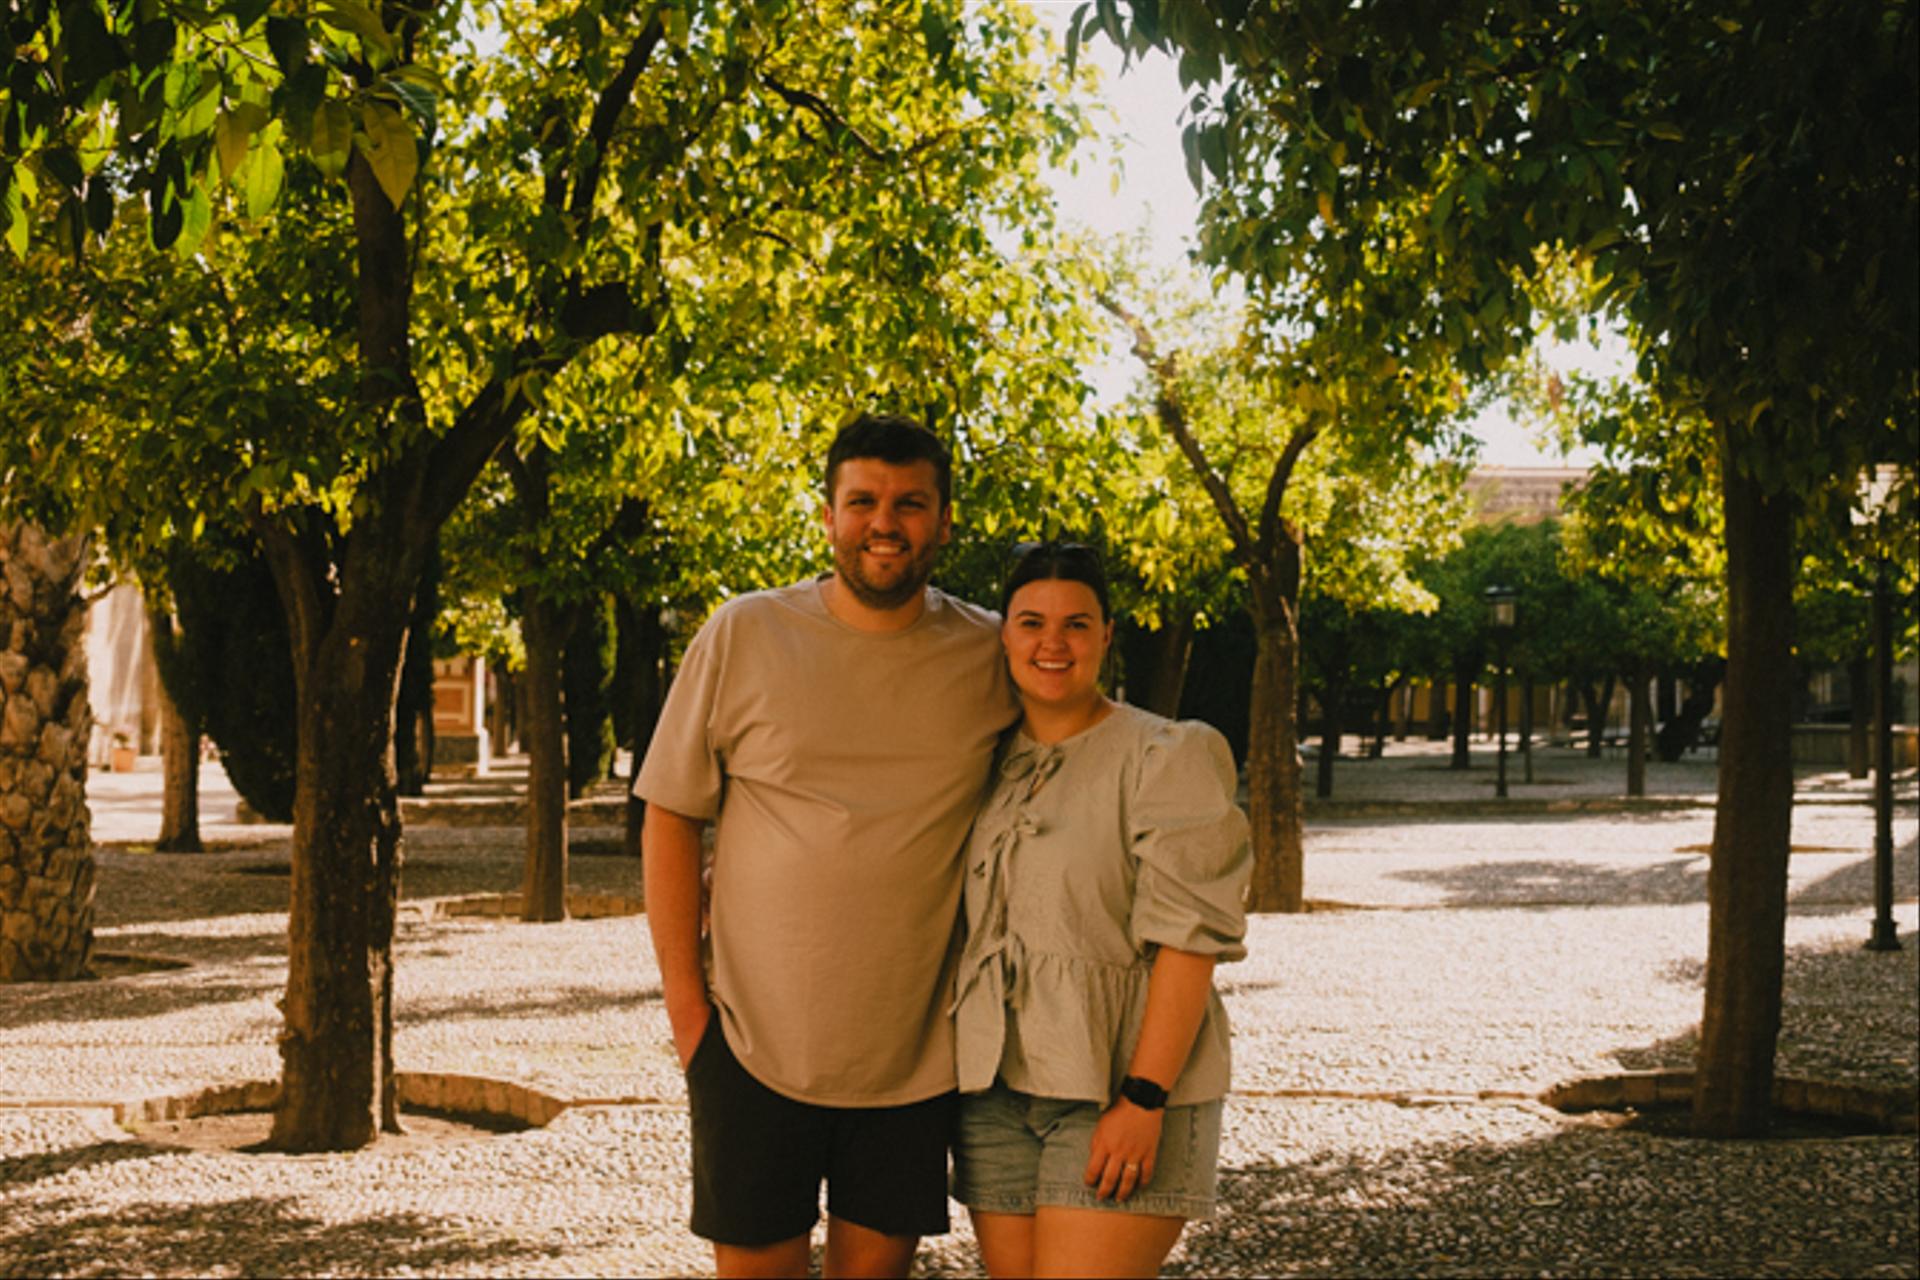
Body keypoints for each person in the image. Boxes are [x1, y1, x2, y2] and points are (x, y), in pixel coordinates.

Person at [635, 413, 1017, 1279]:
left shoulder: (991, 654)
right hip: (748, 1045)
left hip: (914, 1058)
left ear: (945, 520)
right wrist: (689, 1016)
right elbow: (669, 813)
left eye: (911, 502)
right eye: (864, 501)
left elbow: (1078, 742)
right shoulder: (744, 633)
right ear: (829, 515)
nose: (886, 521)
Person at [951, 540, 1251, 1279]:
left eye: (1077, 624)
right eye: (1031, 622)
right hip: (993, 1098)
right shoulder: (979, 758)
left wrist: (1143, 1098)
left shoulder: (1166, 754)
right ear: (1004, 635)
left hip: (1121, 1090)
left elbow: (1191, 943)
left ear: (1108, 635)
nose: (1053, 642)